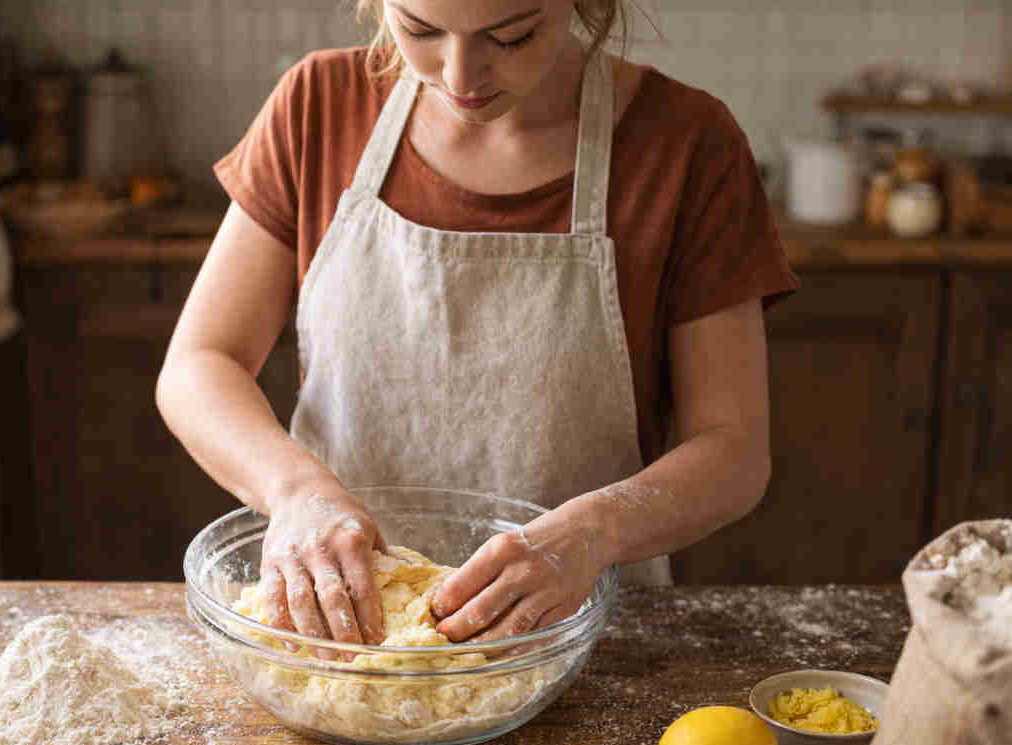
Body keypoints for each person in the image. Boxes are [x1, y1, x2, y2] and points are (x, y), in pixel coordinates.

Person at [156, 0, 799, 647]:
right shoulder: (318, 105)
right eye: (419, 29)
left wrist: (589, 533)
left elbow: (733, 449)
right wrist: (295, 492)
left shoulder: (687, 144)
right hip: (339, 641)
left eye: (512, 35)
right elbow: (201, 362)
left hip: (579, 645)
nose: (461, 76)